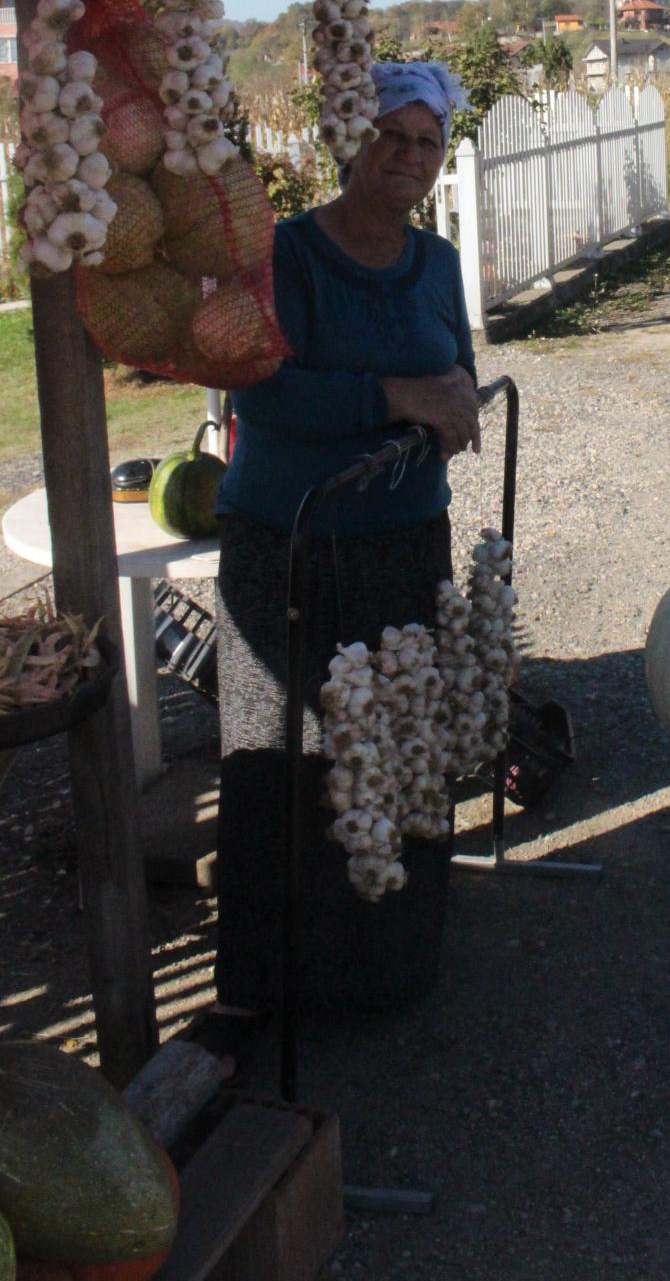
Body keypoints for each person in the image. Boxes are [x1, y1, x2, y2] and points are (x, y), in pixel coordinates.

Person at [210, 60, 481, 1030]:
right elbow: (260, 390)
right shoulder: (287, 254)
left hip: (403, 544)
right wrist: (397, 398)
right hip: (286, 548)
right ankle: (271, 997)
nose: (406, 157)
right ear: (349, 141)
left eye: (425, 141)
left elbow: (458, 377)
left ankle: (388, 969)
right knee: (286, 764)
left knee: (400, 752)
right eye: (389, 136)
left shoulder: (437, 263)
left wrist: (451, 402)